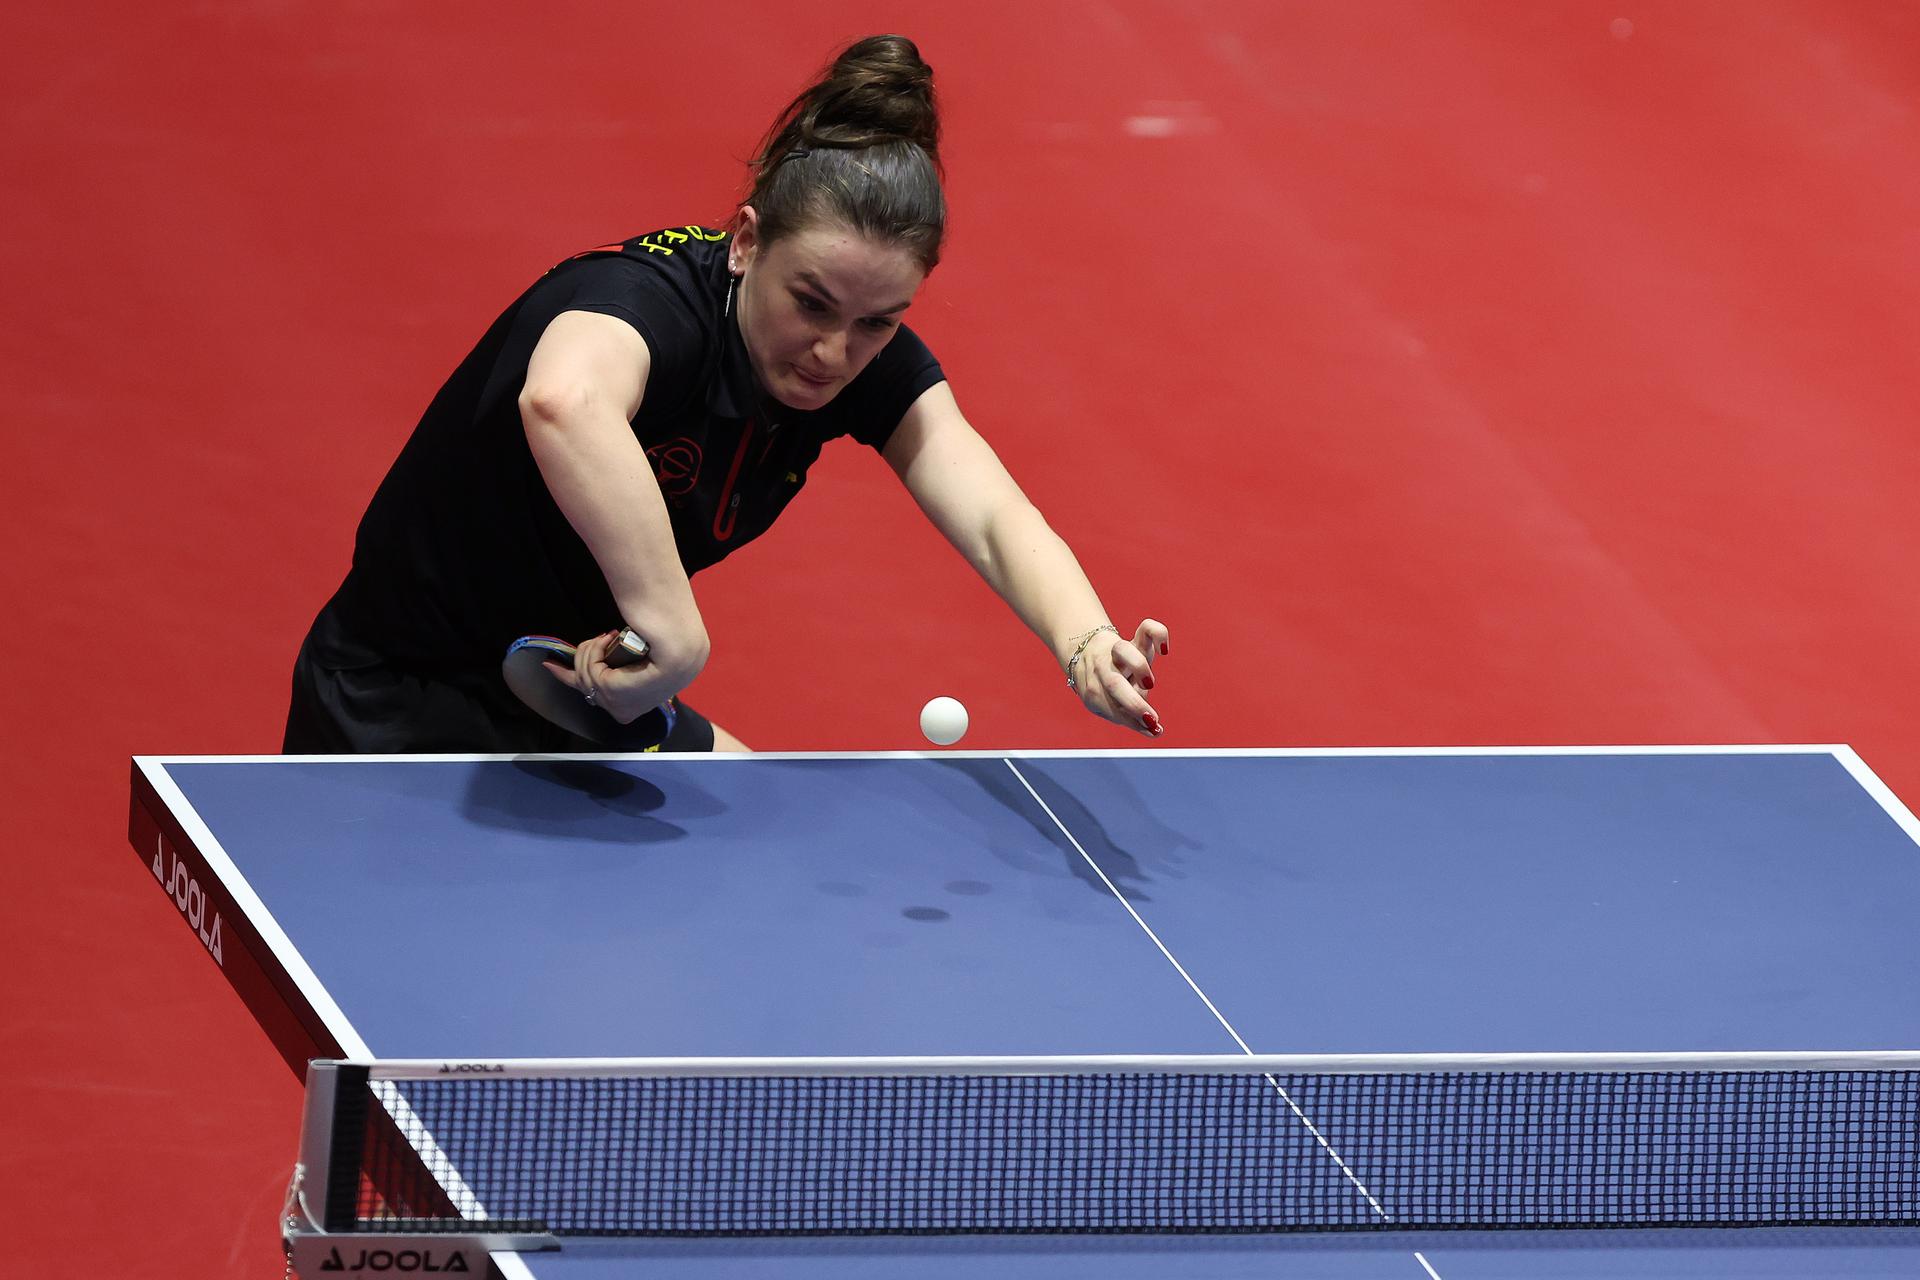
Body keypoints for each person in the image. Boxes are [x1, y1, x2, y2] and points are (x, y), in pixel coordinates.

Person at [284, 34, 1167, 754]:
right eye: (811, 304)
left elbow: (986, 509)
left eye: (878, 322)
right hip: (397, 699)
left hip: (585, 690)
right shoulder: (650, 304)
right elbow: (562, 398)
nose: (834, 352)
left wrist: (1084, 640)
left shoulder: (861, 352)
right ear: (746, 241)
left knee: (763, 841)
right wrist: (676, 628)